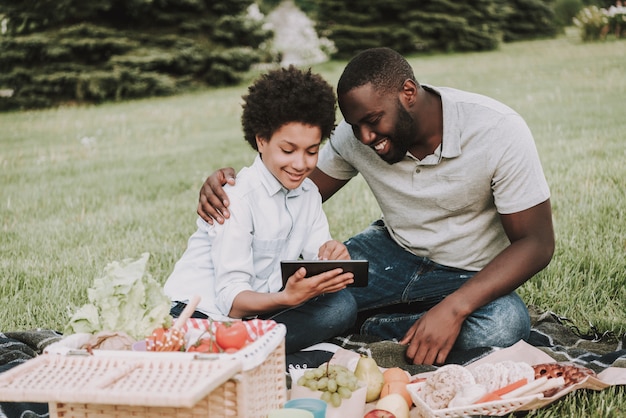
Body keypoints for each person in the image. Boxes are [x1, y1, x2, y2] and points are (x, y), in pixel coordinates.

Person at [197, 48, 555, 366]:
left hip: (468, 272)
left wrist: (455, 308)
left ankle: (379, 326)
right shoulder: (359, 136)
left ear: (409, 93)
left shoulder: (498, 130)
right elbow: (293, 187)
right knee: (300, 280)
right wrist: (235, 185)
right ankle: (225, 342)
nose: (366, 137)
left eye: (372, 121)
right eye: (355, 127)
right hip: (389, 255)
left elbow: (536, 243)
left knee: (506, 324)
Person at [164, 66, 357, 354]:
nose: (301, 164)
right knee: (319, 327)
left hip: (254, 316)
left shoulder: (308, 195)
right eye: (288, 150)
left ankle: (248, 352)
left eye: (312, 151)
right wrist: (288, 299)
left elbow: (318, 254)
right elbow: (232, 299)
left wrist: (331, 255)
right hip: (201, 314)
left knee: (342, 307)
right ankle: (246, 353)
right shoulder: (237, 198)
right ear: (262, 140)